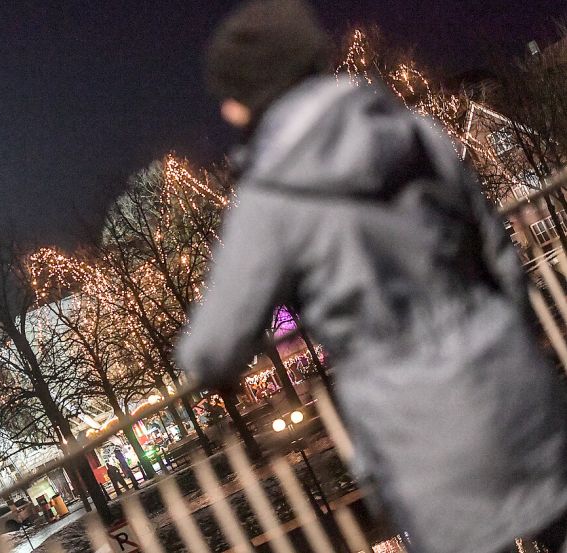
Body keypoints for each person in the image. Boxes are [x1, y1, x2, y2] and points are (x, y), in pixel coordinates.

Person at [175, 2, 567, 553]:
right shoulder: (413, 133)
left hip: (420, 435)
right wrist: (514, 347)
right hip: (514, 385)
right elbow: (500, 258)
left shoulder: (271, 200)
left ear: (247, 102)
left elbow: (212, 349)